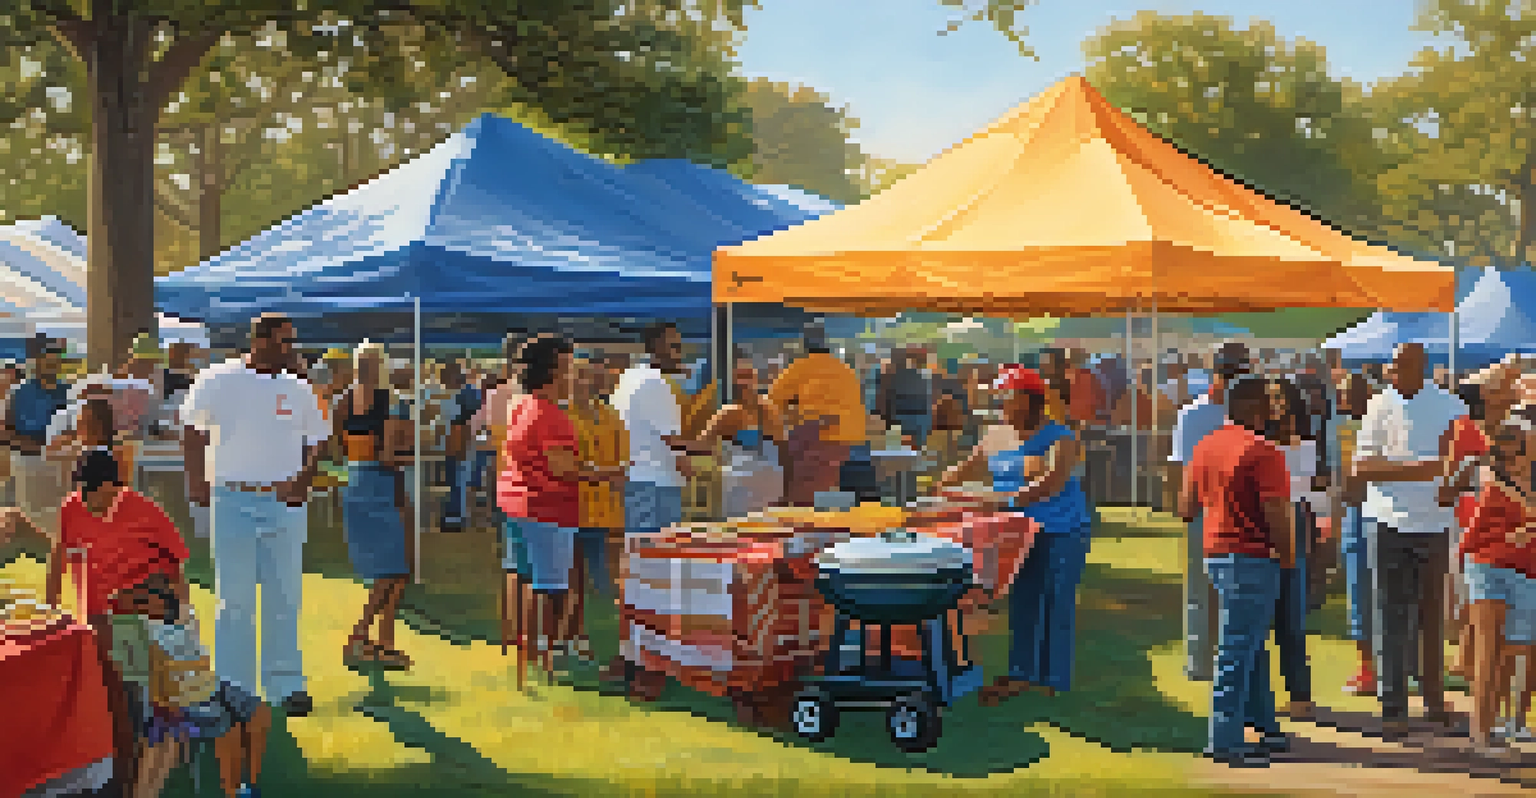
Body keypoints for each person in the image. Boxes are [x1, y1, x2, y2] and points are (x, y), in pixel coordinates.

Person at [181, 313, 329, 718]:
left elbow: (318, 440)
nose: (291, 351)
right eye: (284, 343)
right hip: (231, 498)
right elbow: (191, 431)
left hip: (284, 503)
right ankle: (234, 685)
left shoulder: (300, 389)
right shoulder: (217, 379)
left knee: (285, 593)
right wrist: (196, 482)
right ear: (259, 341)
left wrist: (303, 480)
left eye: (292, 343)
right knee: (235, 598)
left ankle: (286, 684)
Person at [27, 447, 191, 795]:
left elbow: (176, 566)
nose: (83, 498)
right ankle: (107, 769)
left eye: (90, 490)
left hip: (141, 618)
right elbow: (59, 555)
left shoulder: (145, 511)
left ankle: (134, 772)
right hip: (96, 619)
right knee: (100, 694)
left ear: (111, 487)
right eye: (80, 489)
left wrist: (181, 625)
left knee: (133, 696)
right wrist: (49, 608)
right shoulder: (72, 507)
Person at [934, 365, 1093, 706]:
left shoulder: (1060, 438)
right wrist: (942, 485)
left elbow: (1050, 484)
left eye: (1006, 397)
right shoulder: (996, 435)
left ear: (1029, 400)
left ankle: (1053, 681)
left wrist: (997, 500)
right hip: (1017, 533)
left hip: (1062, 531)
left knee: (1055, 603)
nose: (1000, 404)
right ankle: (1022, 673)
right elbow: (966, 468)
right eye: (999, 397)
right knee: (1023, 603)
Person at [1179, 376, 1295, 768]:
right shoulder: (1264, 452)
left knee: (1250, 643)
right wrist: (1290, 556)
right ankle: (1224, 739)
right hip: (1253, 557)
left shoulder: (1205, 445)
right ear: (1252, 407)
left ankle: (1265, 725)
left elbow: (1184, 508)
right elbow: (1277, 511)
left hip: (1215, 554)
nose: (1275, 410)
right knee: (1237, 648)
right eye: (1269, 403)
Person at [1354, 342, 1466, 738]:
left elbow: (1466, 465)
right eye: (1392, 364)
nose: (1392, 371)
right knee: (1390, 613)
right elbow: (1363, 467)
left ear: (1421, 367)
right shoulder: (1377, 405)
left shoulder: (1452, 407)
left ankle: (1434, 701)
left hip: (1435, 524)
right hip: (1385, 521)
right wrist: (1426, 469)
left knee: (1431, 616)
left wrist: (1448, 479)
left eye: (1400, 364)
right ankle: (1393, 707)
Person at [500, 336, 623, 683]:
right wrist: (605, 473)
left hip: (518, 505)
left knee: (527, 579)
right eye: (569, 367)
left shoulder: (520, 405)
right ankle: (552, 657)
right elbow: (562, 468)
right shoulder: (549, 414)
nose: (574, 375)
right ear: (553, 372)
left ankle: (532, 656)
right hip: (546, 508)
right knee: (552, 587)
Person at [1169, 342, 1251, 683]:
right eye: (1227, 373)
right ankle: (1200, 664)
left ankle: (1231, 664)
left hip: (1244, 512)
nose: (1231, 381)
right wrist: (1185, 508)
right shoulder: (1193, 414)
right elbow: (1182, 468)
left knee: (1239, 592)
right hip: (1205, 510)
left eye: (1238, 373)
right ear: (1214, 375)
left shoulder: (1252, 414)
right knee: (1200, 591)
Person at [333, 341, 414, 671]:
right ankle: (361, 636)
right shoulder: (391, 401)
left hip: (354, 483)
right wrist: (411, 454)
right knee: (394, 570)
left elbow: (337, 446)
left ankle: (383, 643)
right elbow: (388, 457)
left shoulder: (343, 401)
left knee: (393, 571)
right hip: (381, 484)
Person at [1460, 403, 1536, 752]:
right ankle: (1481, 735)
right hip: (1490, 571)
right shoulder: (1494, 490)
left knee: (1517, 652)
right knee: (1489, 655)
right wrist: (1509, 537)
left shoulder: (1527, 485)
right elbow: (1470, 542)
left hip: (1527, 575)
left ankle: (1512, 724)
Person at [668, 356, 785, 517]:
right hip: (760, 484)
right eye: (741, 377)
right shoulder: (762, 411)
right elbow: (703, 444)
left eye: (748, 376)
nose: (745, 383)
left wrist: (670, 443)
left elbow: (702, 444)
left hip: (748, 487)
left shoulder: (739, 413)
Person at [567, 358, 628, 658]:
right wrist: (602, 471)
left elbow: (623, 463)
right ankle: (576, 637)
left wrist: (602, 471)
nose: (583, 381)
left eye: (587, 376)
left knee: (604, 580)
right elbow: (570, 465)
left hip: (604, 510)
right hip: (571, 508)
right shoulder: (562, 416)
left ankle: (604, 639)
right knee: (574, 578)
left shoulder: (609, 414)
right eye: (577, 376)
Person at [767, 326, 868, 506]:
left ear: (804, 346)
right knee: (825, 484)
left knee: (804, 489)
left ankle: (802, 526)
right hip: (847, 437)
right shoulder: (844, 368)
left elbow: (772, 402)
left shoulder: (800, 367)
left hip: (816, 434)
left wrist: (791, 413)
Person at [1265, 377, 1318, 720]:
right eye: (1270, 398)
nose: (1277, 405)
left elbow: (1303, 489)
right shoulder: (1259, 441)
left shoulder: (1305, 444)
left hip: (1291, 519)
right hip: (1265, 519)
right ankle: (1262, 697)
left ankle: (1300, 695)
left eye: (1281, 398)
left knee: (1291, 615)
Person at [614, 323, 689, 536]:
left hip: (638, 479)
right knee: (659, 555)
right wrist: (708, 447)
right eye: (674, 347)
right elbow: (673, 441)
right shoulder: (654, 382)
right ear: (656, 348)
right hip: (656, 483)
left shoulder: (630, 377)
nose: (679, 353)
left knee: (641, 553)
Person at [3, 335, 70, 547]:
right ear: (36, 361)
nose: (53, 364)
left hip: (59, 464)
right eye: (48, 359)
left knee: (59, 512)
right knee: (31, 511)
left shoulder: (67, 392)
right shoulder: (18, 393)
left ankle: (57, 545)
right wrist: (35, 447)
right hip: (27, 461)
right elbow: (6, 432)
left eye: (56, 359)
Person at [1334, 372, 1376, 694]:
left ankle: (1372, 670)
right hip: (1358, 517)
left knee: (1365, 593)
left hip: (1370, 517)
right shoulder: (1343, 429)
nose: (1345, 398)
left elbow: (1348, 483)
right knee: (1362, 594)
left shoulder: (1357, 430)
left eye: (1350, 392)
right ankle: (1368, 668)